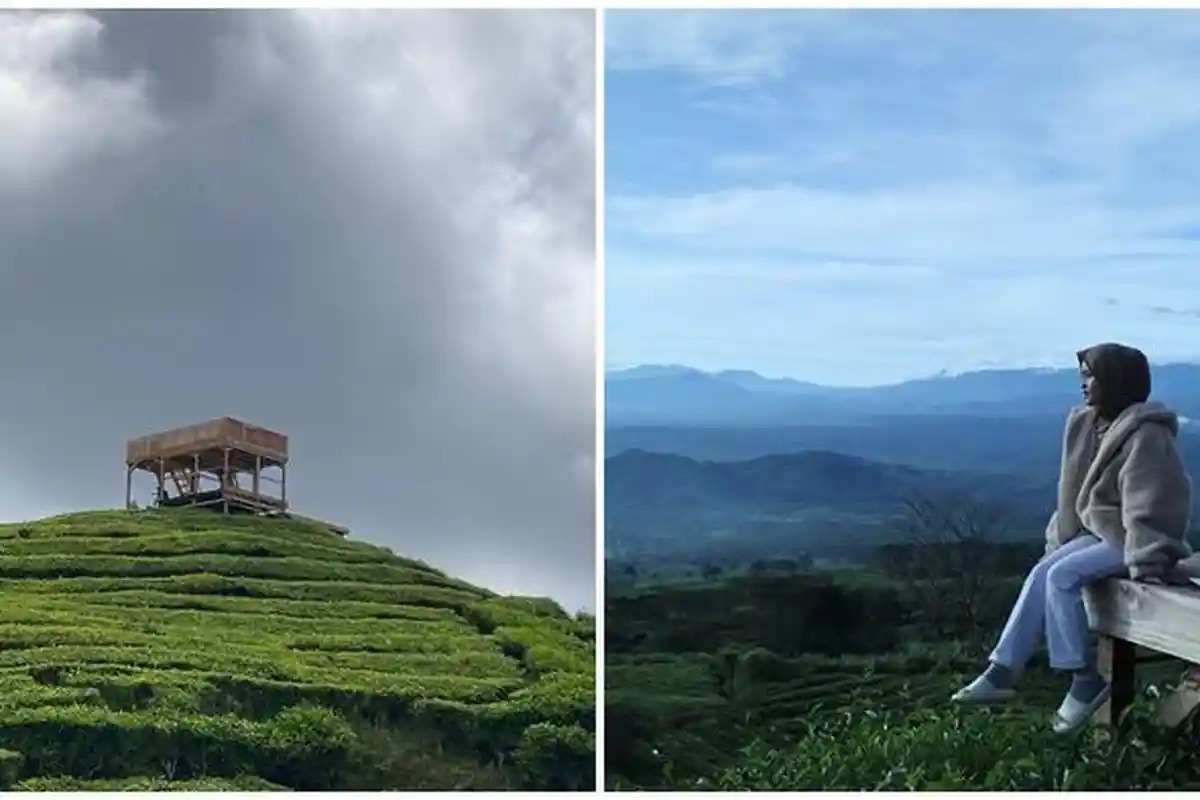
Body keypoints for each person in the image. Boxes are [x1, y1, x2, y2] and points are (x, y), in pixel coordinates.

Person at [951, 342, 1193, 733]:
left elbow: (1152, 499)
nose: (1083, 385)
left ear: (1115, 381)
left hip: (1133, 538)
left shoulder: (1147, 435)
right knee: (1044, 571)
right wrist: (1062, 536)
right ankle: (1002, 669)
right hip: (1098, 530)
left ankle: (1083, 679)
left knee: (1063, 577)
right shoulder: (1090, 425)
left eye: (1091, 376)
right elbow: (1073, 492)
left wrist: (1148, 557)